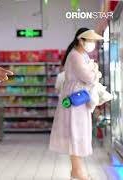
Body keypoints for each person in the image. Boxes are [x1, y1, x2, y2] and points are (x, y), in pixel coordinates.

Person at [49, 28, 104, 180]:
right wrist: (95, 72)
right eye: (90, 41)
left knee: (77, 132)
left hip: (78, 98)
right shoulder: (75, 56)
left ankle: (76, 170)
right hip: (75, 100)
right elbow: (88, 77)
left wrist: (93, 71)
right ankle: (78, 171)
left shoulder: (81, 55)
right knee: (76, 133)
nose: (92, 44)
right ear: (81, 40)